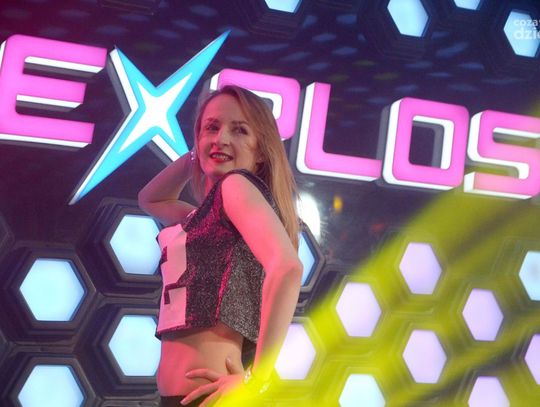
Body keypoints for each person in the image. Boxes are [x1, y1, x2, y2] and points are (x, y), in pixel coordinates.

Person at [138, 85, 303, 407]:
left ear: (260, 151)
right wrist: (201, 151)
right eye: (211, 127)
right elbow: (150, 199)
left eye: (239, 130)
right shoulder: (205, 215)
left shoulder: (235, 185)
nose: (222, 138)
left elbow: (287, 268)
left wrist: (259, 378)